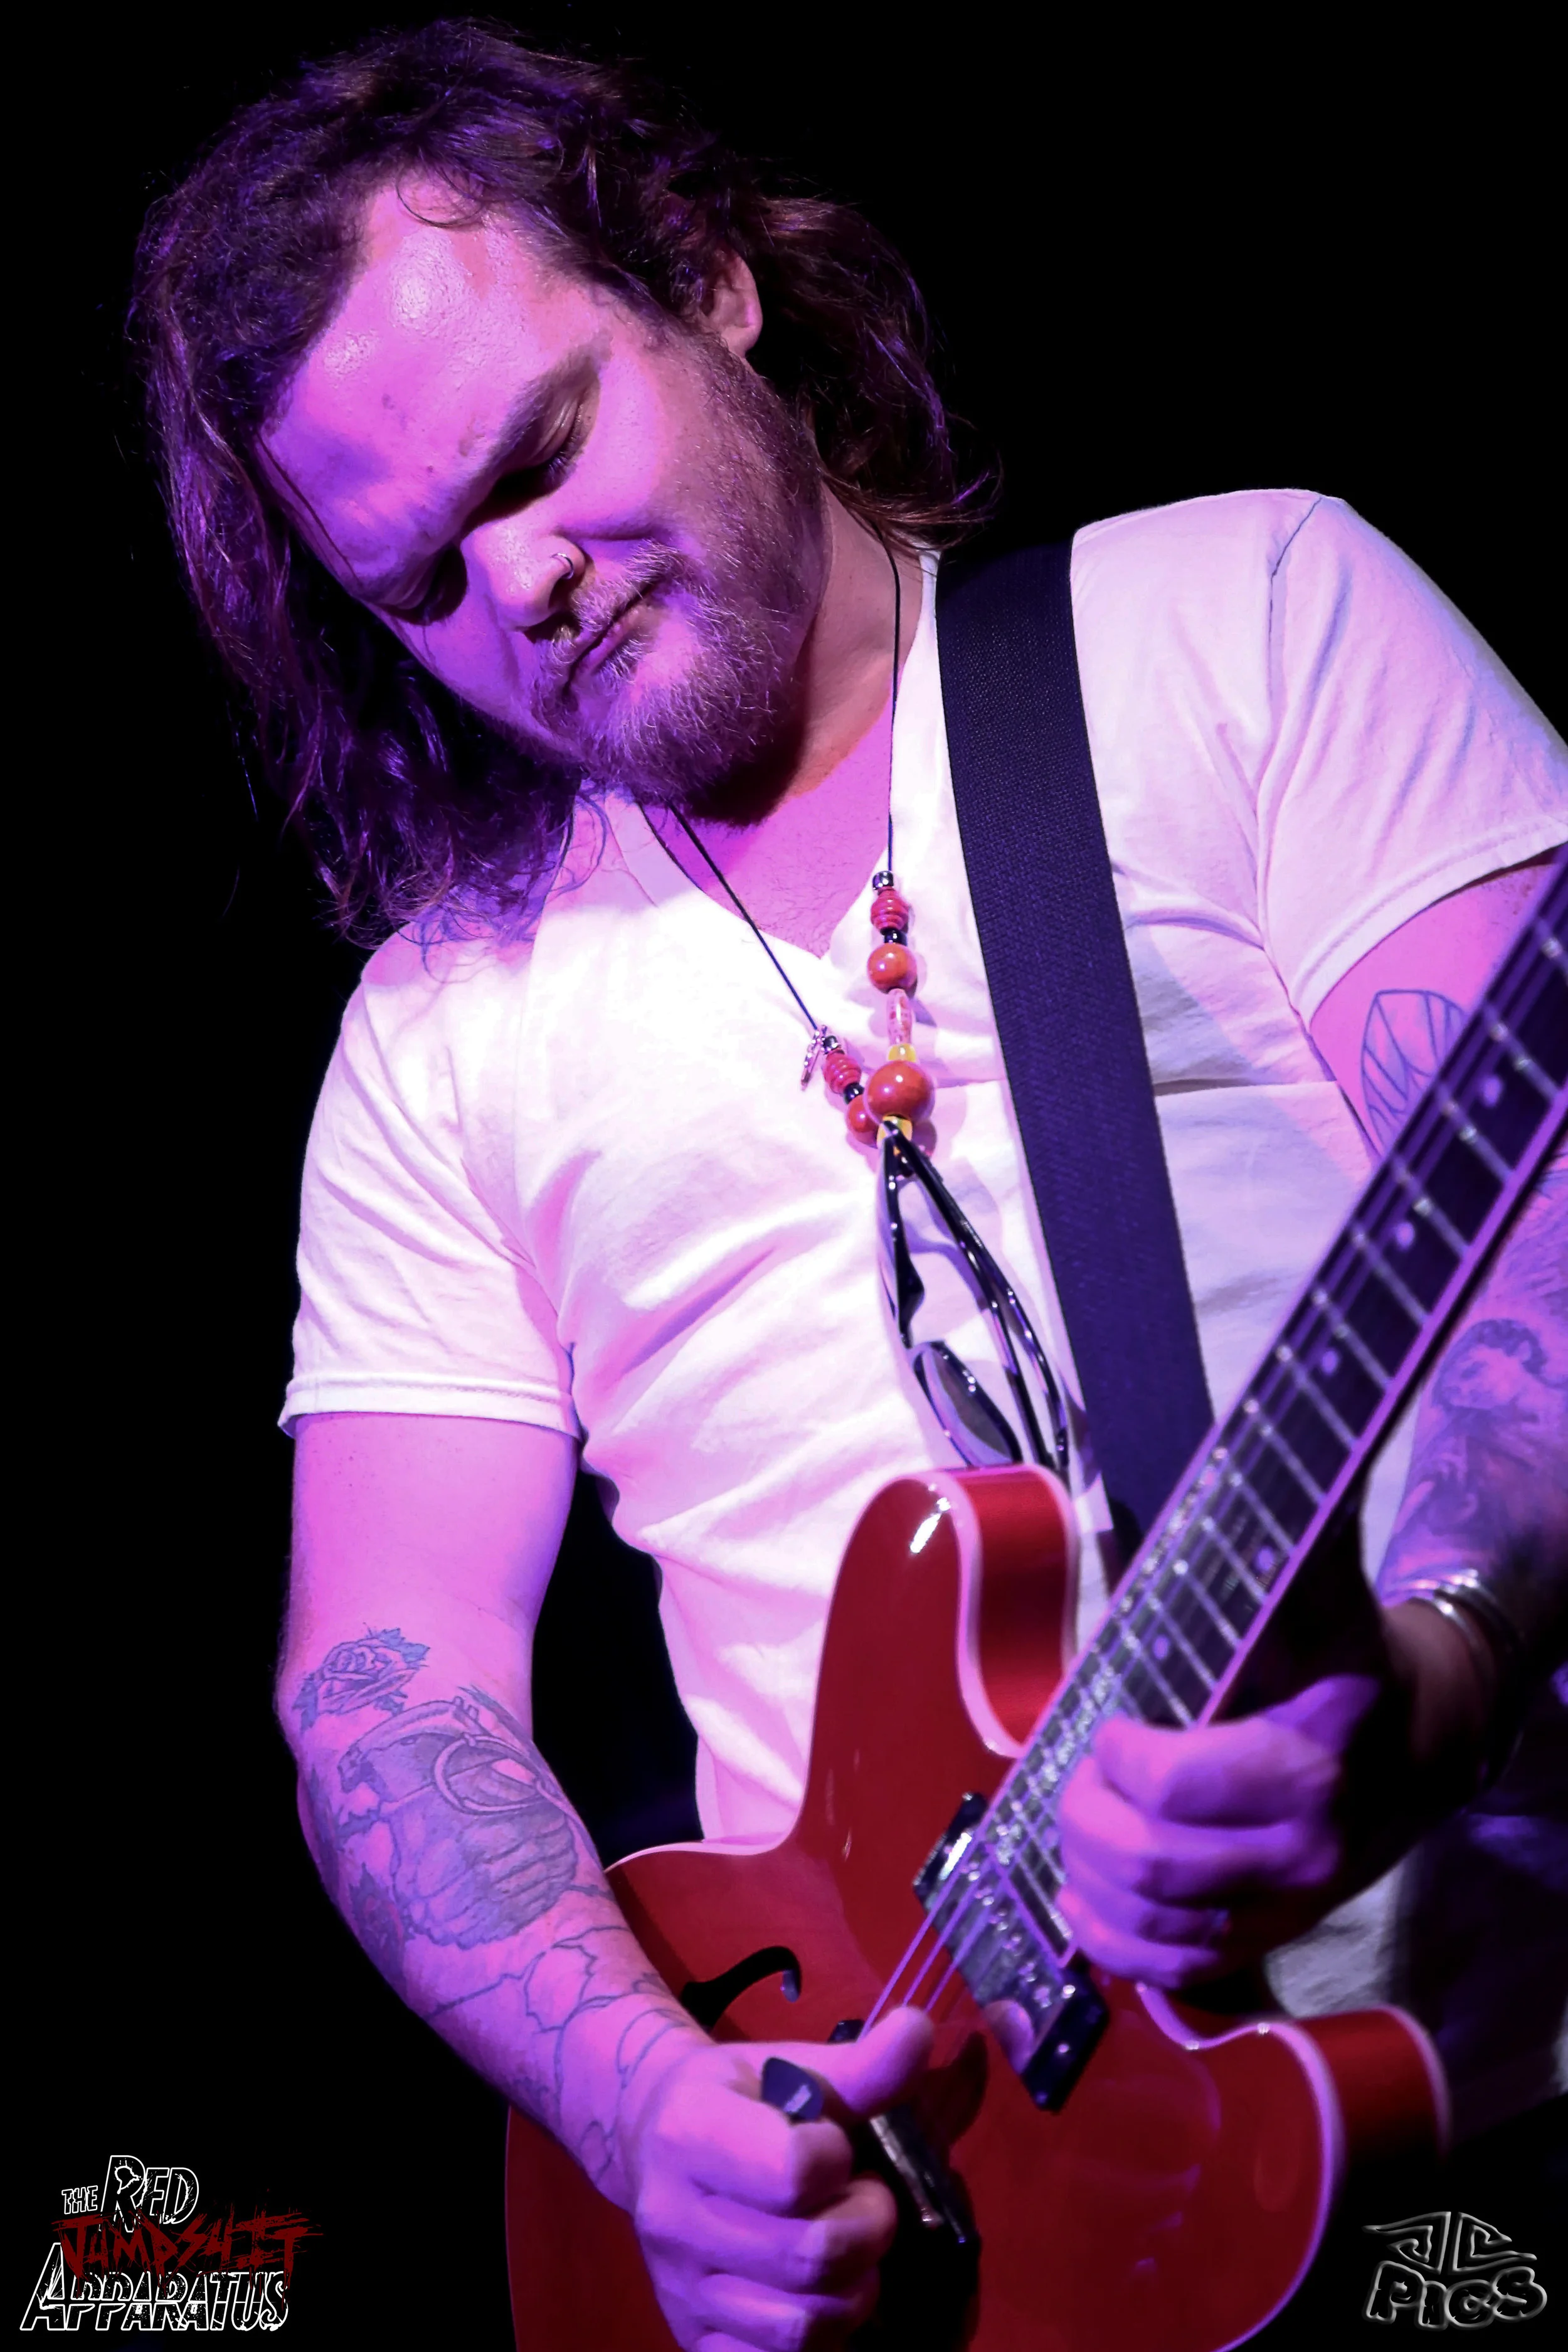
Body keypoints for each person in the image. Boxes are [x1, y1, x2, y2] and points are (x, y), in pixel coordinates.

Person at [134, 21, 1567, 2348]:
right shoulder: (441, 1033)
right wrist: (641, 2109)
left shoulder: (1239, 622)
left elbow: (1540, 1248)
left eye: (539, 453)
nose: (523, 581)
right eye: (417, 581)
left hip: (1464, 2164)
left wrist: (1448, 1657)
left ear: (703, 273)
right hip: (940, 2229)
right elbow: (386, 1687)